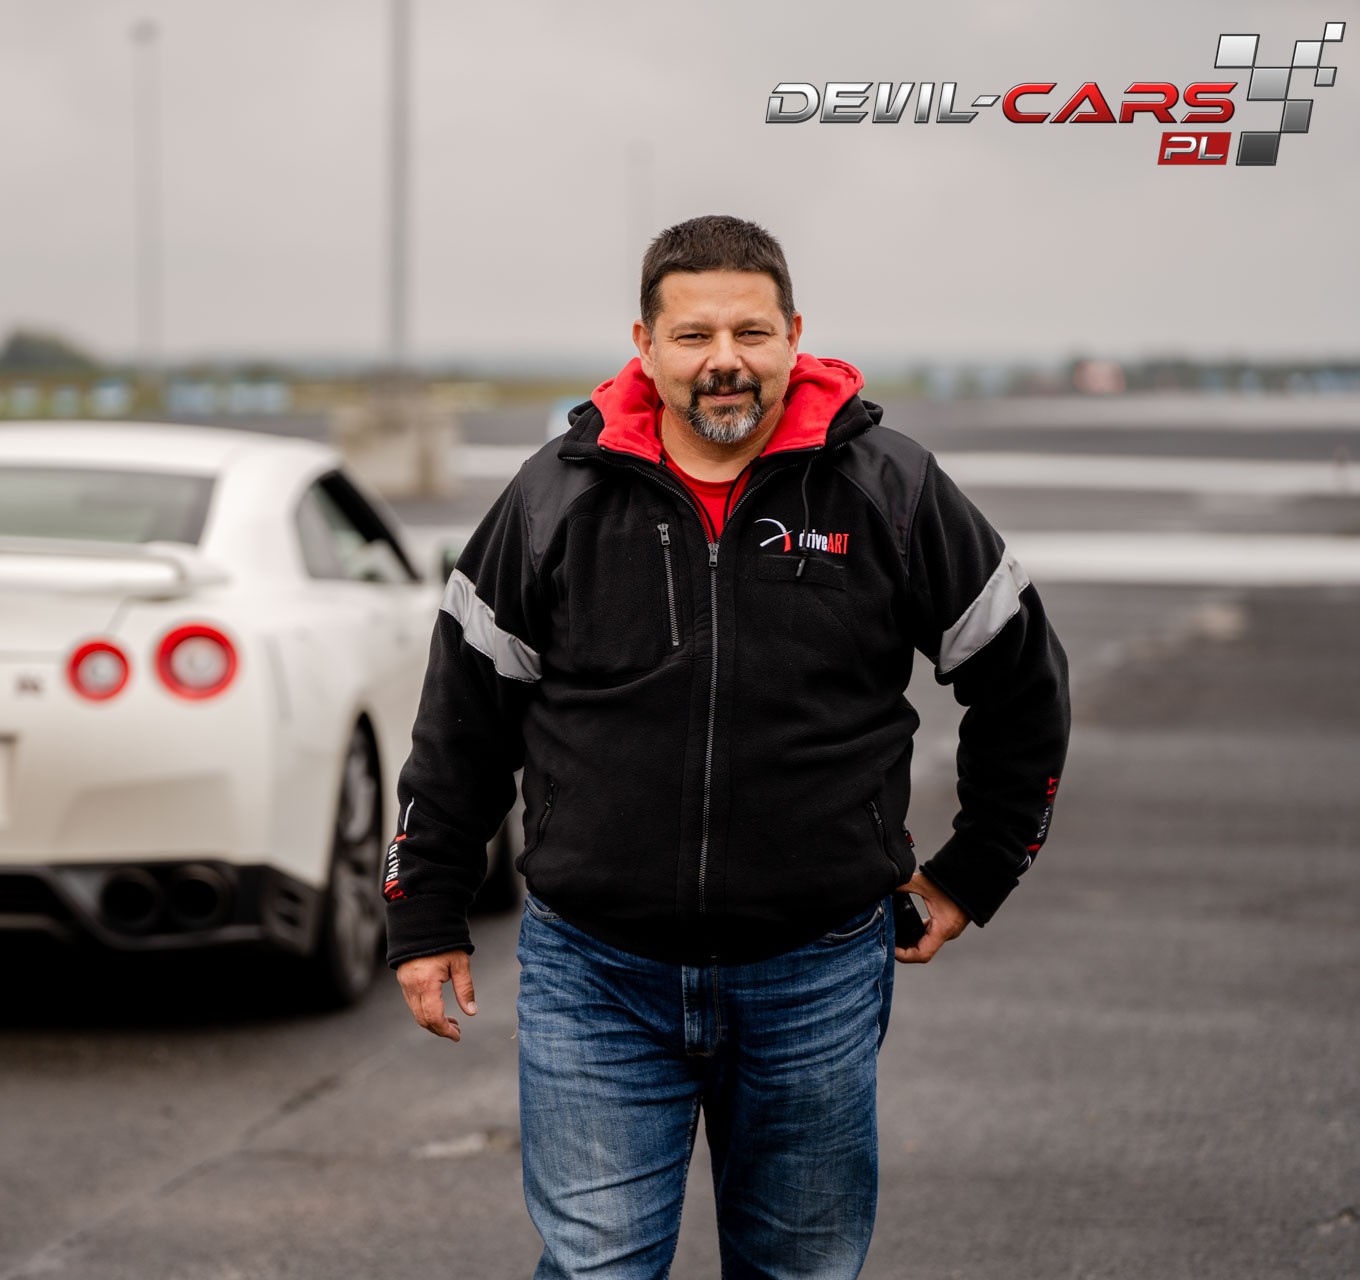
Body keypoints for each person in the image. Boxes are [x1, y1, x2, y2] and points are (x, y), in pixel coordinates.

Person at [384, 215, 1070, 1279]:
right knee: (598, 1268)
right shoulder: (554, 494)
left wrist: (976, 869)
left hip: (815, 972)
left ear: (794, 334)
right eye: (694, 334)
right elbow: (464, 713)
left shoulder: (889, 487)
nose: (725, 360)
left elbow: (1022, 679)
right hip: (594, 972)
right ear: (645, 344)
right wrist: (425, 906)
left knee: (799, 1270)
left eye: (751, 332)